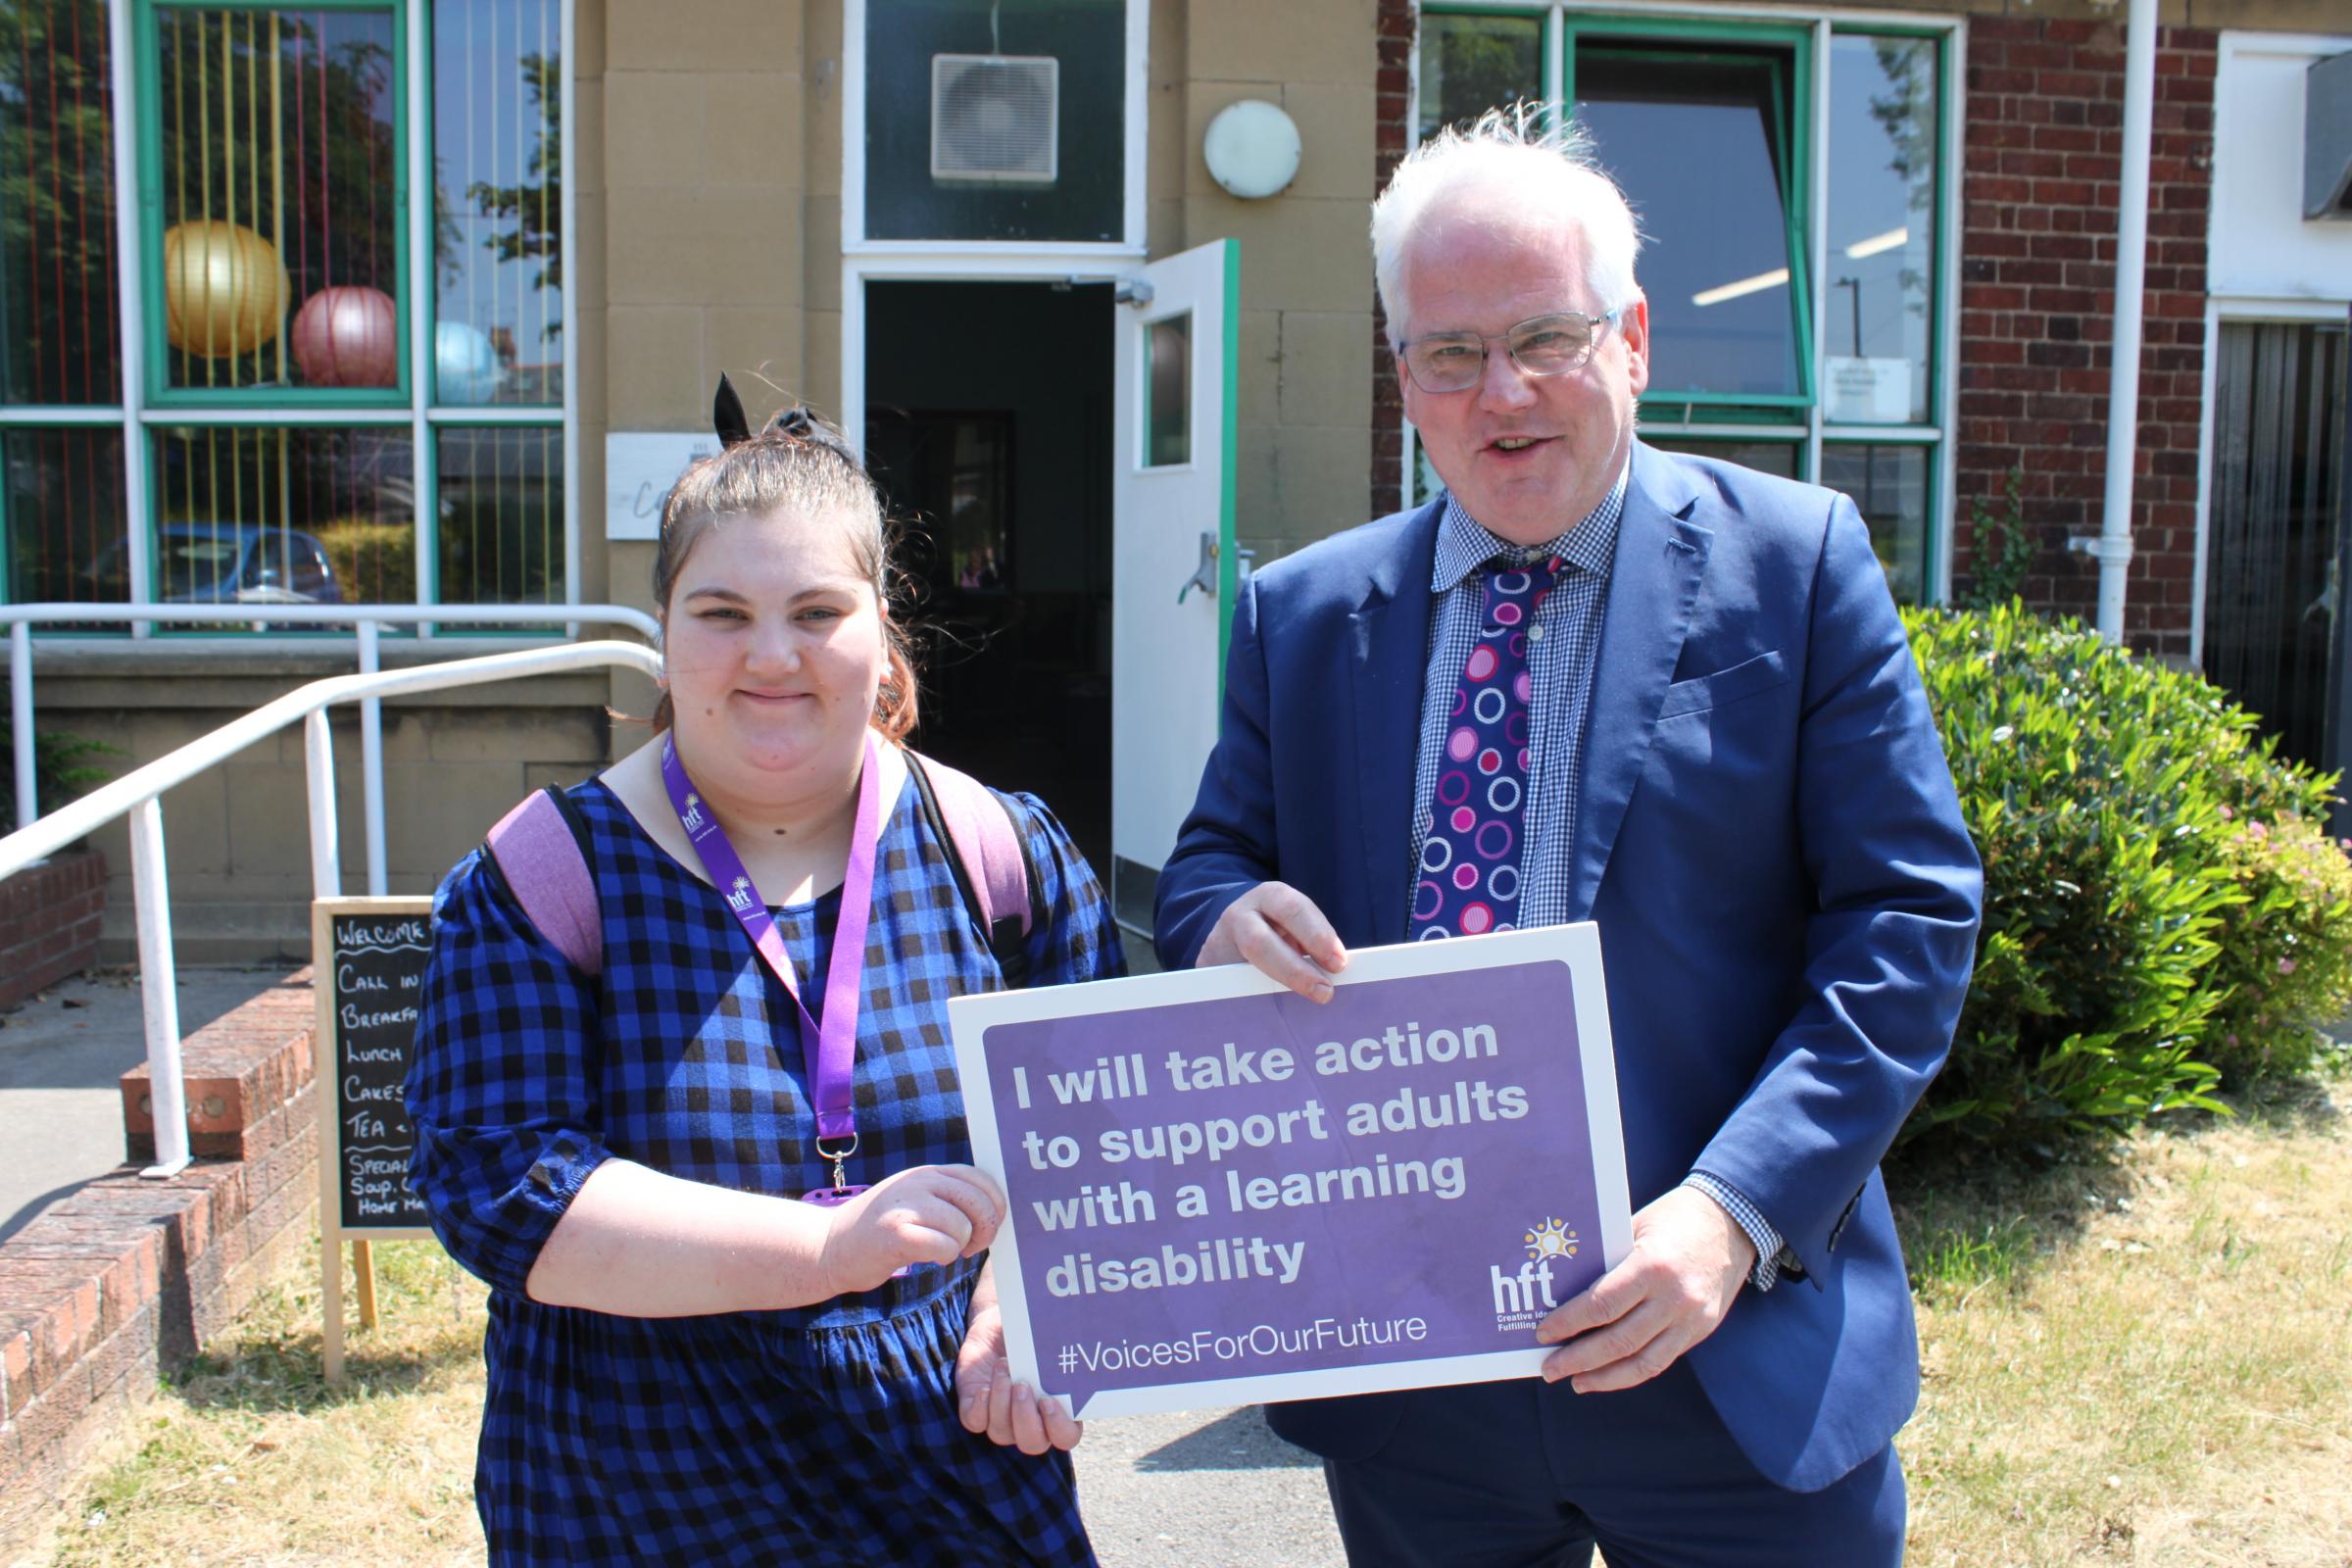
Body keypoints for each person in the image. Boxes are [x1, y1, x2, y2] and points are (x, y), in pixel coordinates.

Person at [1154, 105, 1983, 1566]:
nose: (1505, 393)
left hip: (1727, 1353)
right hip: (1422, 1389)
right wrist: (1221, 918)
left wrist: (1736, 1212)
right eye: (1452, 353)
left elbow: (1905, 921)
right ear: (1402, 373)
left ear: (1636, 339)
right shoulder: (1305, 613)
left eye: (1548, 336)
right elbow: (1210, 861)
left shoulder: (1795, 567)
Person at [407, 385, 1119, 1566]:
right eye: (723, 612)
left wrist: (1027, 1303)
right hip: (637, 1482)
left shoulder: (1004, 850)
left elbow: (1100, 1134)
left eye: (817, 609)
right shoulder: (540, 877)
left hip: (952, 1475)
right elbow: (505, 1189)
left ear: (881, 630)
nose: (772, 655)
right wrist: (826, 1251)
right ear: (665, 632)